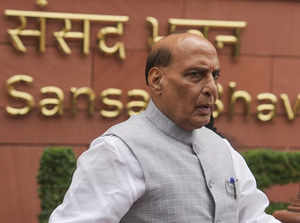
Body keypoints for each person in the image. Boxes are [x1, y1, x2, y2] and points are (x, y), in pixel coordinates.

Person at [49, 33, 281, 223]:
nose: (212, 89)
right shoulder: (119, 151)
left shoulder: (222, 150)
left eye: (215, 75)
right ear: (157, 80)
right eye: (196, 75)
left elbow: (253, 217)